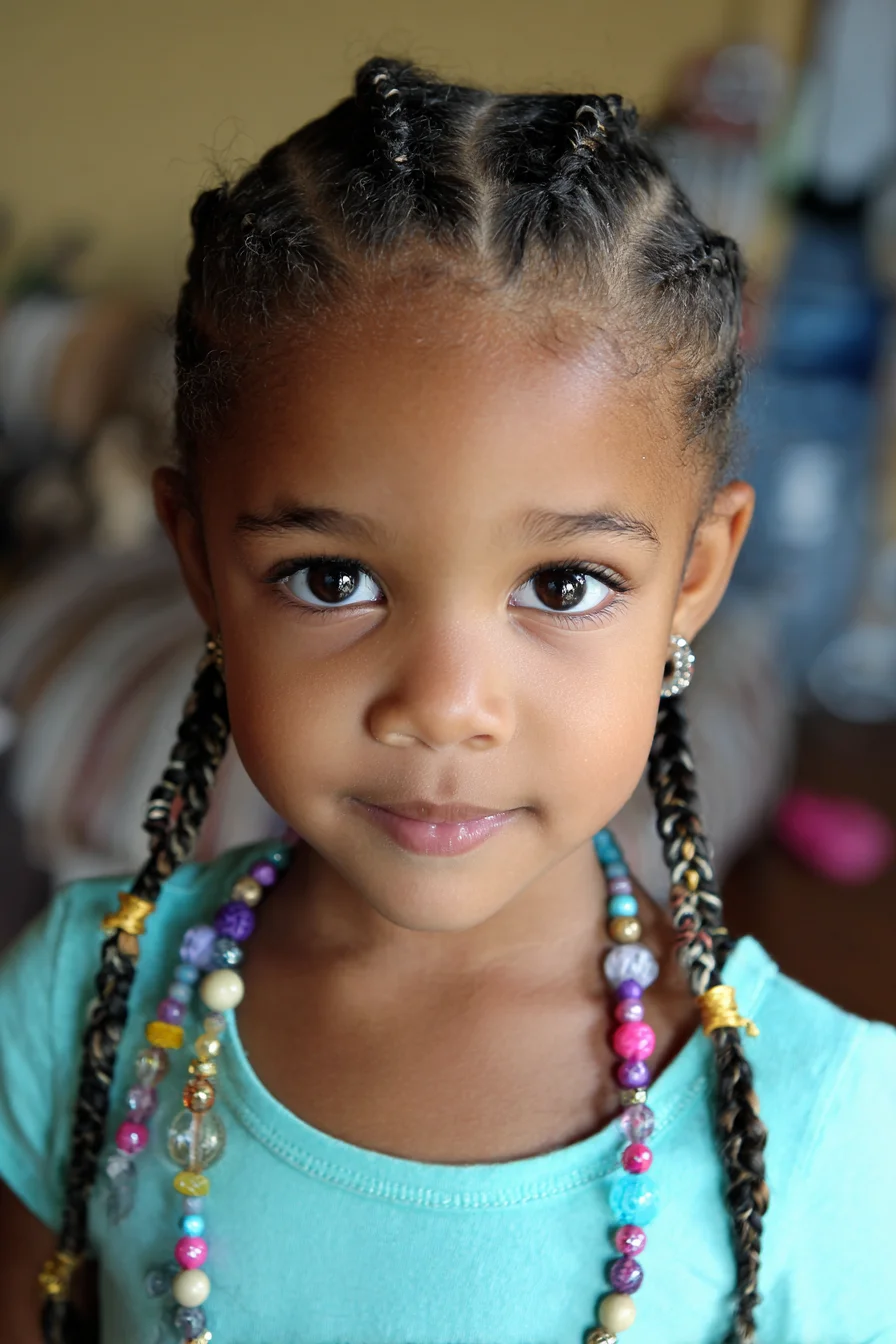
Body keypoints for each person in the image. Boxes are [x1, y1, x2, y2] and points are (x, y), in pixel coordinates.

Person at [0, 57, 893, 1344]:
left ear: (692, 579)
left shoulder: (817, 1129)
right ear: (195, 555)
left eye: (564, 585)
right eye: (331, 576)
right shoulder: (86, 1008)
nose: (444, 706)